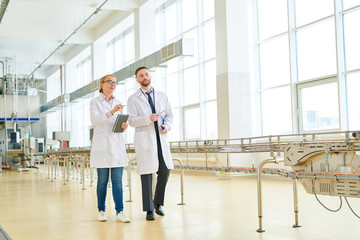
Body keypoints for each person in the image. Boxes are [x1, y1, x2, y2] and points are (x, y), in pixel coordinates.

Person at [127, 66, 174, 221]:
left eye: (146, 74)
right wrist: (148, 118)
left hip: (160, 139)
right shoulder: (133, 99)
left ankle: (157, 203)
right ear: (137, 80)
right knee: (146, 174)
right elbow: (132, 121)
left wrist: (166, 126)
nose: (144, 77)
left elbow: (169, 115)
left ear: (150, 76)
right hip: (145, 141)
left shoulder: (161, 95)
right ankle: (149, 210)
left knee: (165, 171)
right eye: (141, 75)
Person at [90, 74, 130, 223]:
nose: (113, 84)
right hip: (102, 147)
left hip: (116, 146)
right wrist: (111, 112)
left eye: (115, 82)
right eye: (109, 82)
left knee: (117, 181)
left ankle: (120, 211)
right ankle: (101, 210)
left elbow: (117, 125)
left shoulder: (118, 102)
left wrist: (124, 126)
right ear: (102, 84)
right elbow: (95, 120)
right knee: (102, 181)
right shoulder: (95, 102)